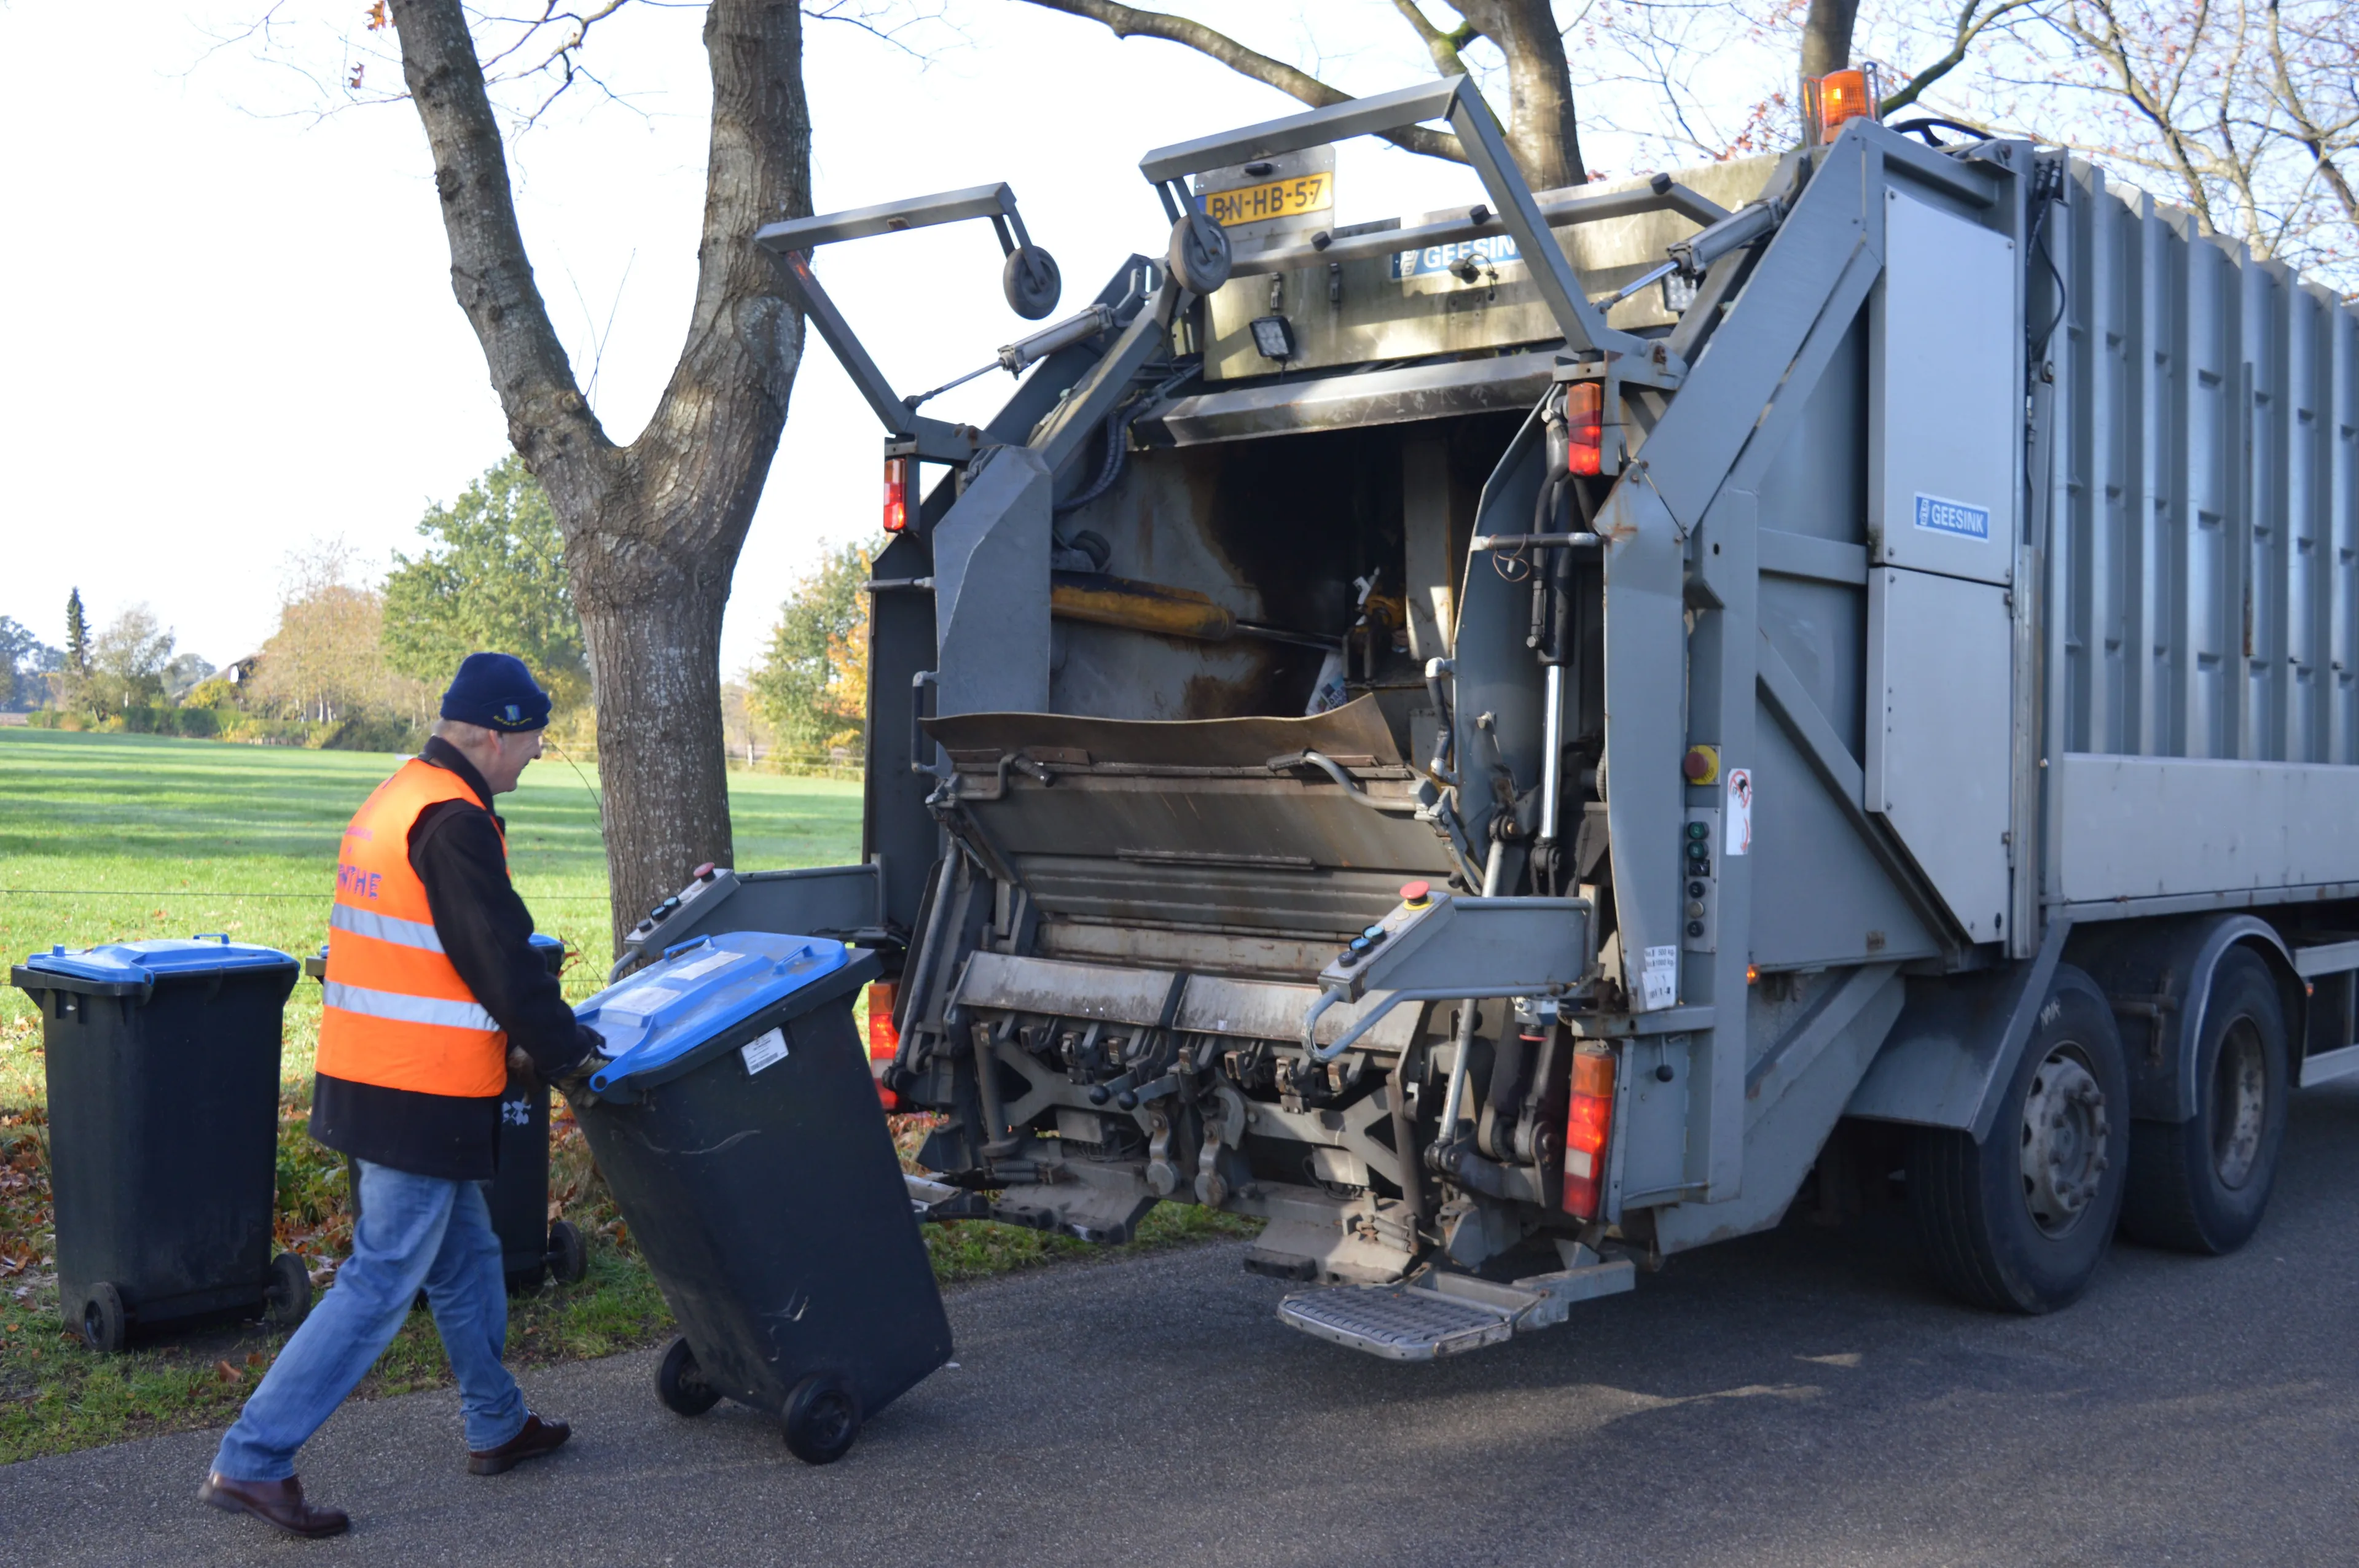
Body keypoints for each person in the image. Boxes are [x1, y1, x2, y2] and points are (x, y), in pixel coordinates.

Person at [199, 653, 603, 1540]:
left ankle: (497, 1422)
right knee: (382, 1278)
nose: (538, 753)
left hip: (372, 1074)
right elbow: (501, 961)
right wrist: (570, 1052)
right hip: (418, 1089)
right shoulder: (453, 822)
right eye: (533, 738)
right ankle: (255, 1458)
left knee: (465, 1257)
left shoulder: (399, 798)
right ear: (493, 735)